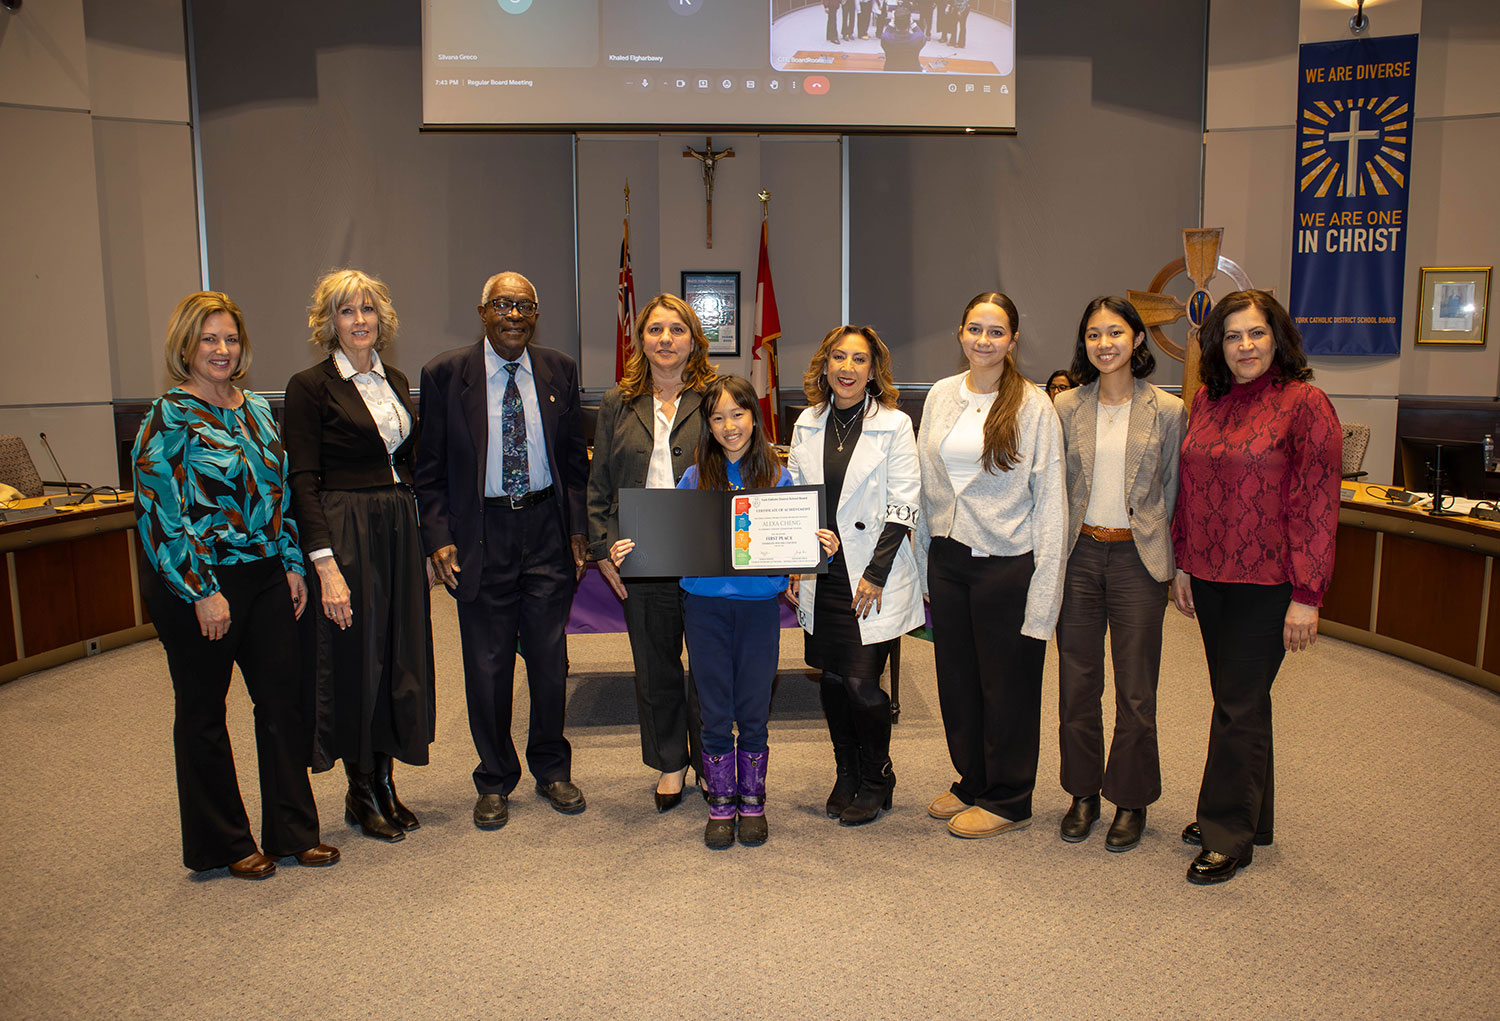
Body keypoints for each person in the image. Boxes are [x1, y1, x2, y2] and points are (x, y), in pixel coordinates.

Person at [133, 291, 338, 879]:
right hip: (197, 581)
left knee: (281, 702)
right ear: (186, 346)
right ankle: (222, 843)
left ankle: (295, 831)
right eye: (209, 339)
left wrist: (294, 564)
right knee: (202, 711)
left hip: (266, 574)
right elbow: (159, 513)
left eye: (230, 339)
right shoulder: (168, 416)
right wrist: (201, 589)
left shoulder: (254, 408)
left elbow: (279, 493)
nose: (222, 350)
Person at [610, 376, 839, 849]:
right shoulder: (694, 478)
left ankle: (752, 802)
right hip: (706, 610)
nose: (729, 426)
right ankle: (720, 802)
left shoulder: (778, 478)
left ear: (755, 418)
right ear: (707, 427)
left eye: (738, 414)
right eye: (717, 418)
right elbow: (670, 538)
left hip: (758, 611)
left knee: (754, 707)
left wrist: (824, 548)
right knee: (714, 707)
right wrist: (632, 548)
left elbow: (802, 541)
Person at [1170, 289, 1340, 885]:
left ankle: (1226, 833)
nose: (1245, 346)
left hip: (1269, 581)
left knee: (1236, 705)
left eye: (1256, 334)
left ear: (1278, 339)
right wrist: (1185, 563)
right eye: (1233, 336)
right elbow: (1189, 488)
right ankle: (1252, 816)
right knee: (1239, 701)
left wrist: (1307, 594)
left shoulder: (1305, 404)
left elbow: (1318, 503)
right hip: (1211, 576)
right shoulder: (1206, 400)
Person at [414, 271, 590, 831]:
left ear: (536, 314)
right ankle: (494, 777)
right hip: (480, 533)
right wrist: (439, 537)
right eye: (502, 305)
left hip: (545, 528)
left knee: (549, 660)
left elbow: (575, 467)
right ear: (483, 311)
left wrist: (578, 529)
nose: (514, 314)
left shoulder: (559, 368)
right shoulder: (445, 375)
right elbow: (429, 471)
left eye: (525, 306)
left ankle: (551, 768)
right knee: (487, 666)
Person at [283, 269, 436, 843]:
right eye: (347, 311)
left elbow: (409, 465)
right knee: (358, 658)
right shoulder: (309, 386)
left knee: (399, 654)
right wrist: (324, 564)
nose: (360, 320)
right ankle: (359, 787)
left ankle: (387, 781)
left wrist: (422, 539)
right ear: (329, 323)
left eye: (368, 310)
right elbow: (302, 479)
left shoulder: (394, 378)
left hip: (397, 526)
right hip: (346, 529)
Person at [914, 292, 1066, 839]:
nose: (984, 340)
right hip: (949, 560)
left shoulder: (1033, 406)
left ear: (1013, 340)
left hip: (1007, 565)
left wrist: (1045, 595)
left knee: (1008, 686)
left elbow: (1051, 502)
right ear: (960, 333)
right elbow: (929, 485)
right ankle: (972, 779)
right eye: (975, 329)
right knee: (958, 681)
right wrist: (924, 559)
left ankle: (1009, 796)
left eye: (996, 331)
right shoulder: (939, 396)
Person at [1052, 297, 1185, 852]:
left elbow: (1176, 492)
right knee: (1076, 686)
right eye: (1092, 335)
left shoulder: (1168, 411)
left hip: (1138, 560)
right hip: (1079, 557)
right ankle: (1082, 793)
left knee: (1136, 692)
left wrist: (1177, 566)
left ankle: (1130, 800)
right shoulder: (1063, 407)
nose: (1104, 344)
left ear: (1136, 339)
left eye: (1115, 333)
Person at [786, 326, 924, 826]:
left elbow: (904, 503)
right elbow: (798, 500)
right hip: (822, 570)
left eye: (859, 360)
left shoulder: (895, 423)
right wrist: (797, 561)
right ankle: (846, 773)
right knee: (832, 679)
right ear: (825, 366)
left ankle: (877, 776)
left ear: (873, 370)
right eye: (838, 358)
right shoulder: (807, 421)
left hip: (872, 571)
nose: (847, 368)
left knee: (863, 684)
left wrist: (876, 573)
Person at [586, 294, 716, 812]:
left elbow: (746, 466)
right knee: (654, 664)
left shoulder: (718, 395)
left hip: (705, 551)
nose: (666, 339)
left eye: (677, 329)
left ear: (693, 339)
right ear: (640, 339)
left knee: (707, 664)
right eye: (655, 329)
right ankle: (669, 762)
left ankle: (710, 761)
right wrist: (601, 549)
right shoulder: (619, 402)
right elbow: (599, 484)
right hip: (639, 554)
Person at [881, 5, 926, 71]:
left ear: (894, 22)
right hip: (912, 77)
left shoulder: (886, 38)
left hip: (890, 76)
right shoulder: (917, 39)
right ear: (909, 22)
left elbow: (886, 34)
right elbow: (922, 36)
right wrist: (912, 23)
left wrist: (891, 23)